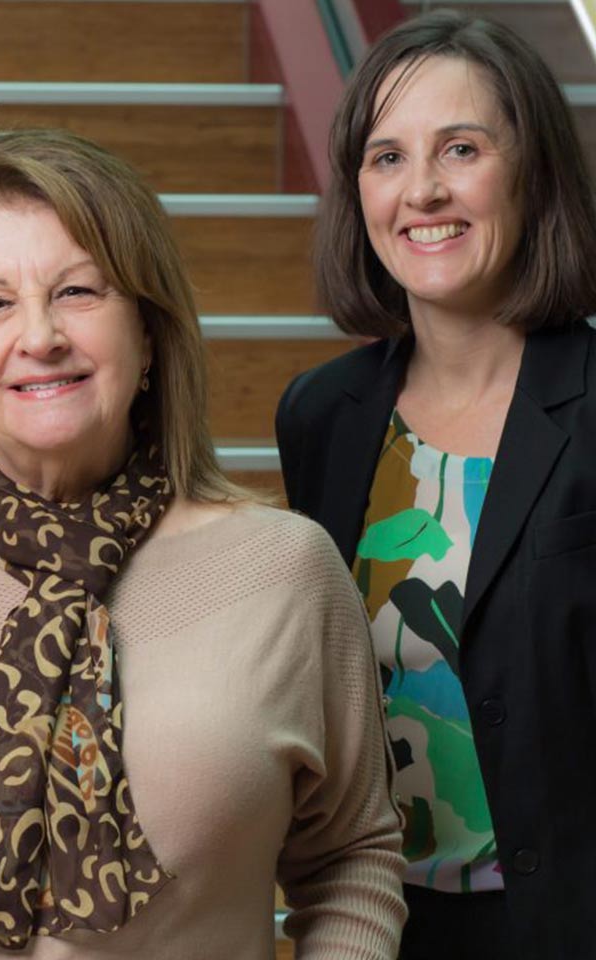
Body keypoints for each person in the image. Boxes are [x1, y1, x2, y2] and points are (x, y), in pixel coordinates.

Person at [0, 129, 405, 959]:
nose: (41, 335)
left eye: (80, 291)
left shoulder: (285, 571)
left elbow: (352, 860)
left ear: (150, 332)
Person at [277, 11, 596, 959]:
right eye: (386, 157)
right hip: (385, 929)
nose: (422, 191)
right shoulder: (321, 416)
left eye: (460, 148)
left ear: (530, 170)